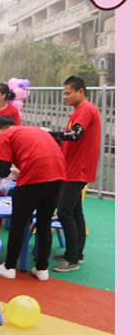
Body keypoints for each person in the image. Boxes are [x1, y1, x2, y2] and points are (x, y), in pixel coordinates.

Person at [0, 116, 65, 281]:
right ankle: (42, 268)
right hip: (58, 175)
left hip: (34, 176)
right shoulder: (33, 130)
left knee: (18, 222)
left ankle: (9, 266)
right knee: (44, 222)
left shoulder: (4, 135)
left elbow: (3, 170)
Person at [51, 76, 101, 272]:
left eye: (68, 93)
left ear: (81, 91)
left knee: (64, 211)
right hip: (73, 168)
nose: (65, 97)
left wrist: (51, 134)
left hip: (78, 170)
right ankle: (76, 254)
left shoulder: (86, 109)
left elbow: (75, 134)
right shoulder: (80, 111)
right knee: (75, 211)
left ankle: (71, 259)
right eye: (64, 94)